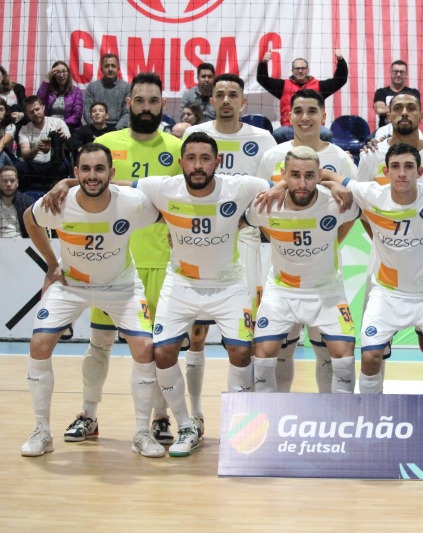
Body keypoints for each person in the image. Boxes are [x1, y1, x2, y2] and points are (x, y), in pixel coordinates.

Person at [43, 72, 182, 446]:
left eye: (154, 101)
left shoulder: (176, 146)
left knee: (153, 349)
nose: (147, 107)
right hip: (109, 264)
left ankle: (159, 419)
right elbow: (87, 179)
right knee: (100, 342)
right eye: (140, 101)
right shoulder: (106, 142)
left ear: (162, 105)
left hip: (160, 261)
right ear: (128, 104)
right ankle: (88, 415)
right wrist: (63, 182)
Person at [19, 143, 163, 458]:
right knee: (39, 344)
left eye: (100, 169)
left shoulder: (132, 202)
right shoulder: (59, 202)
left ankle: (141, 432)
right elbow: (29, 218)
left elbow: (165, 214)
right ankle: (42, 431)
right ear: (76, 173)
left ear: (112, 173)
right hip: (71, 284)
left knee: (144, 348)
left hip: (121, 286)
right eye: (85, 169)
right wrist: (50, 264)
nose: (92, 176)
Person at [134, 132, 270, 456]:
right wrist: (67, 186)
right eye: (191, 158)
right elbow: (118, 193)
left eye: (205, 158)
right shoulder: (160, 188)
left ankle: (239, 427)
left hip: (228, 284)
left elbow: (275, 192)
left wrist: (245, 219)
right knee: (163, 353)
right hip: (181, 282)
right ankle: (186, 425)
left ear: (217, 162)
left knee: (241, 352)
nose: (198, 165)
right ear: (180, 163)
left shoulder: (242, 187)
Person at [181, 72, 277, 417]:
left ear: (243, 101)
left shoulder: (263, 139)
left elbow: (272, 187)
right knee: (196, 334)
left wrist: (251, 218)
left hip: (248, 242)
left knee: (244, 338)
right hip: (201, 240)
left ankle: (246, 414)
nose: (225, 100)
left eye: (232, 94)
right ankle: (195, 415)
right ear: (211, 101)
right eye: (219, 94)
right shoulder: (195, 135)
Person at [357, 92, 423, 390]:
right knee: (376, 346)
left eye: (410, 108)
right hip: (383, 257)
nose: (404, 112)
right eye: (397, 108)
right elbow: (359, 207)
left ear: (420, 115)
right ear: (389, 115)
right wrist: (384, 235)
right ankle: (374, 408)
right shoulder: (371, 155)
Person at [256, 88, 355, 393]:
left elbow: (350, 209)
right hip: (281, 266)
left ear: (323, 116)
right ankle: (276, 413)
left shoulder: (340, 157)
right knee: (281, 349)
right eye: (298, 111)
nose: (305, 117)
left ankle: (329, 417)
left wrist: (327, 238)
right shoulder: (272, 155)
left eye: (312, 111)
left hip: (323, 271)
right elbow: (261, 204)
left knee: (325, 350)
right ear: (290, 116)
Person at [257, 50, 348, 143]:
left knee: (326, 134)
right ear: (292, 71)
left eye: (303, 68)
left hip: (314, 127)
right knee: (278, 134)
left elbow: (340, 80)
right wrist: (263, 63)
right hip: (290, 127)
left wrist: (340, 60)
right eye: (297, 68)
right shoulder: (283, 86)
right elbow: (262, 79)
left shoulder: (320, 86)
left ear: (307, 70)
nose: (300, 71)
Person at [15, 95, 71, 189]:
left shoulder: (58, 123)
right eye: (31, 112)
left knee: (62, 165)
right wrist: (37, 148)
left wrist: (63, 139)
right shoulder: (24, 130)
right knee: (19, 167)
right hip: (34, 166)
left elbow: (70, 145)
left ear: (43, 107)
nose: (36, 113)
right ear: (27, 114)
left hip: (54, 163)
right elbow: (25, 154)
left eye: (37, 109)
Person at [83, 53, 130, 130]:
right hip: (96, 128)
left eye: (113, 66)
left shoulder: (127, 87)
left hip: (119, 129)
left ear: (118, 68)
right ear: (101, 69)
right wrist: (98, 129)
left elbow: (128, 113)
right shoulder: (92, 87)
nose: (110, 69)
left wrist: (115, 131)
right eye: (106, 66)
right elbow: (87, 112)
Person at [36, 61, 84, 131]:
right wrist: (46, 81)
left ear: (68, 73)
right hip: (48, 128)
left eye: (64, 71)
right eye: (58, 72)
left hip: (70, 128)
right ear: (53, 75)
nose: (61, 75)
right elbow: (39, 102)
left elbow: (77, 116)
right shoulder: (48, 90)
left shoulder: (76, 92)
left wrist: (60, 124)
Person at [373, 60, 421, 129]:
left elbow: (414, 111)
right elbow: (380, 110)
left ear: (406, 74)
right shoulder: (381, 92)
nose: (398, 74)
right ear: (390, 73)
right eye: (395, 72)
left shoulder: (413, 93)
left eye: (401, 72)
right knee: (369, 139)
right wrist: (405, 108)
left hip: (407, 130)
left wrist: (390, 108)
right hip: (384, 130)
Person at [1, 165, 34, 238]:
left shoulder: (27, 202)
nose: (8, 184)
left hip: (22, 244)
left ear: (17, 183)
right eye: (5, 181)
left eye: (12, 181)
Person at [0, 98, 16, 164]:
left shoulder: (11, 126)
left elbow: (1, 144)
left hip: (9, 157)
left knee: (1, 155)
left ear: (6, 112)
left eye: (1, 110)